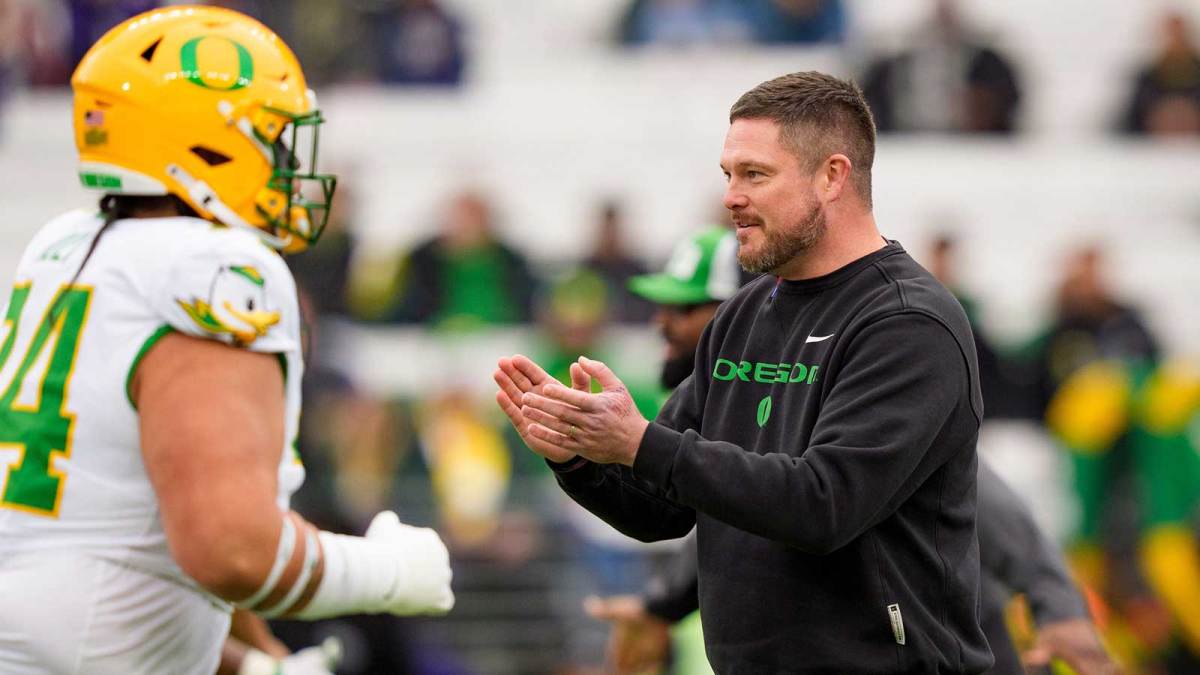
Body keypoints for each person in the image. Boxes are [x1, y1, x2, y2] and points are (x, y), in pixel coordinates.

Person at [0, 7, 452, 674]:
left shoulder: (64, 243)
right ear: (206, 144)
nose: (286, 163)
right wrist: (388, 571)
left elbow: (130, 524)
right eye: (271, 138)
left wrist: (250, 662)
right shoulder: (211, 268)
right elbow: (228, 548)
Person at [497, 70, 993, 672]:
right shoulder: (742, 315)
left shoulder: (908, 323)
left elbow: (824, 505)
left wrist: (641, 441)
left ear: (832, 176)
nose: (731, 196)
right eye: (729, 174)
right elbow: (660, 507)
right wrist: (574, 451)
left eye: (755, 174)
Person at [589, 227, 1115, 675]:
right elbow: (746, 511)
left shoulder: (846, 368)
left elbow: (983, 495)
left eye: (686, 306)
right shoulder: (737, 394)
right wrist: (661, 604)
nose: (663, 322)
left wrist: (1056, 602)